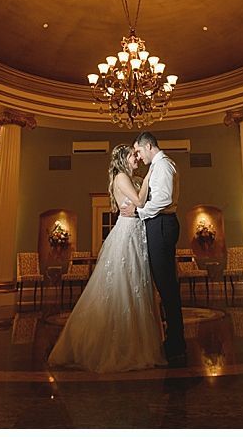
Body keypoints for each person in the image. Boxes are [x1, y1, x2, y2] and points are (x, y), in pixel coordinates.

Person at [47, 144, 166, 373]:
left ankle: (135, 343)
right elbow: (140, 203)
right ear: (123, 159)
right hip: (128, 234)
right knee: (123, 286)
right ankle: (119, 346)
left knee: (136, 287)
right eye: (133, 156)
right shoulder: (121, 177)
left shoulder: (129, 178)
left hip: (136, 232)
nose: (137, 159)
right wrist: (150, 174)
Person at [128, 131, 186, 367]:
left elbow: (163, 199)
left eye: (139, 151)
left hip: (161, 224)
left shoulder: (163, 166)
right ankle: (174, 338)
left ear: (149, 146)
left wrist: (138, 212)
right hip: (160, 224)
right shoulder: (162, 165)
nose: (138, 157)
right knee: (165, 284)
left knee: (166, 285)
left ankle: (176, 342)